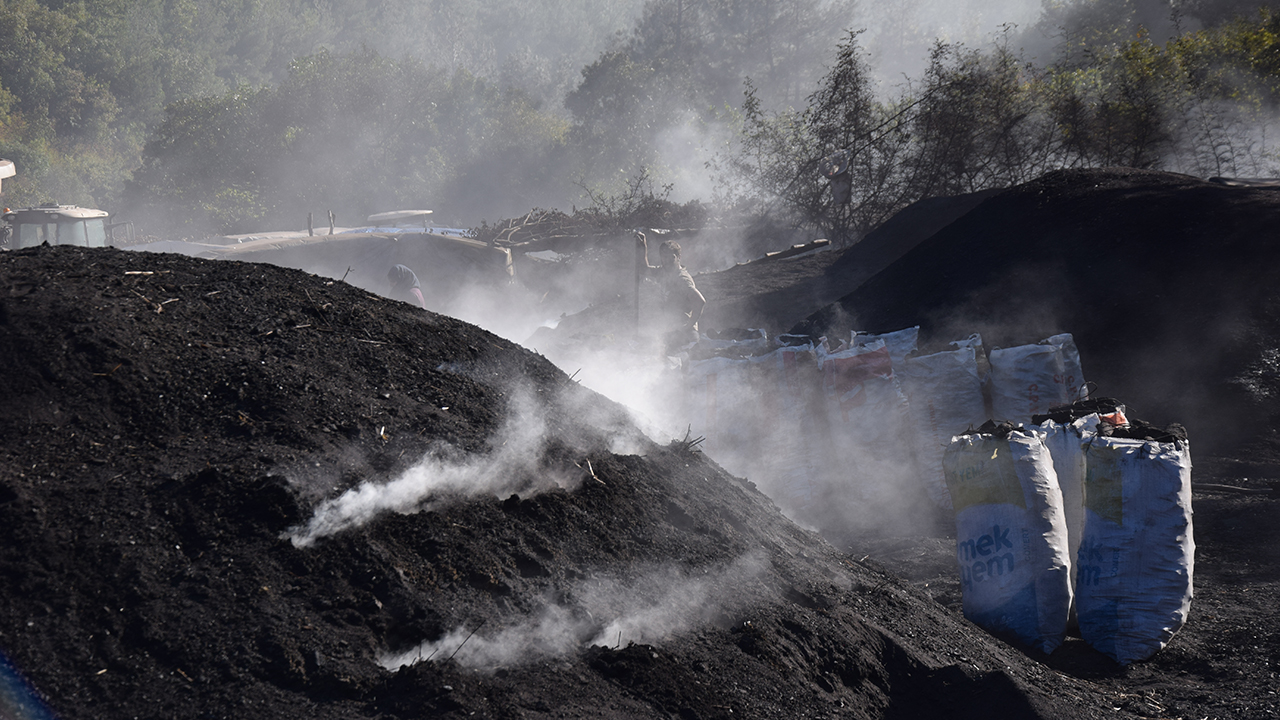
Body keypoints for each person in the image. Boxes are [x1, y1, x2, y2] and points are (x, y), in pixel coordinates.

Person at [635, 232, 705, 356]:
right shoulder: (663, 272)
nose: (666, 261)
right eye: (663, 257)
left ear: (678, 257)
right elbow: (643, 269)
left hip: (684, 336)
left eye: (670, 257)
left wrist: (688, 326)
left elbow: (699, 301)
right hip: (671, 334)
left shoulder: (682, 279)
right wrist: (643, 247)